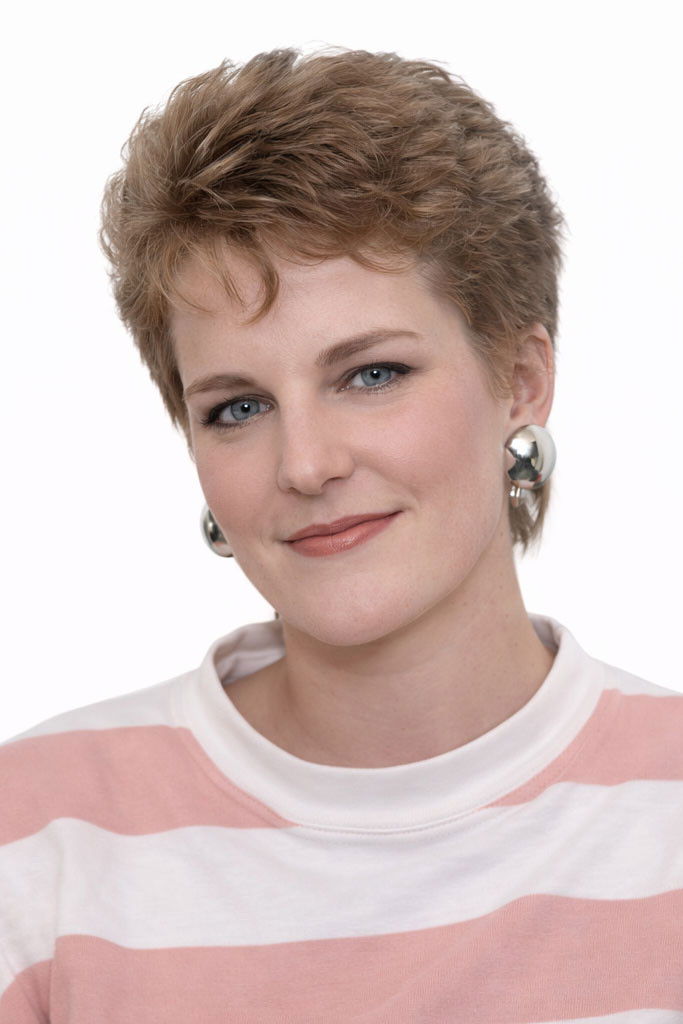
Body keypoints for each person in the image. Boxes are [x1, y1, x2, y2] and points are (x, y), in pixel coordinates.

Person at [1, 46, 682, 1024]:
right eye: (238, 407)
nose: (306, 464)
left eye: (370, 374)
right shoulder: (38, 835)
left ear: (520, 380)